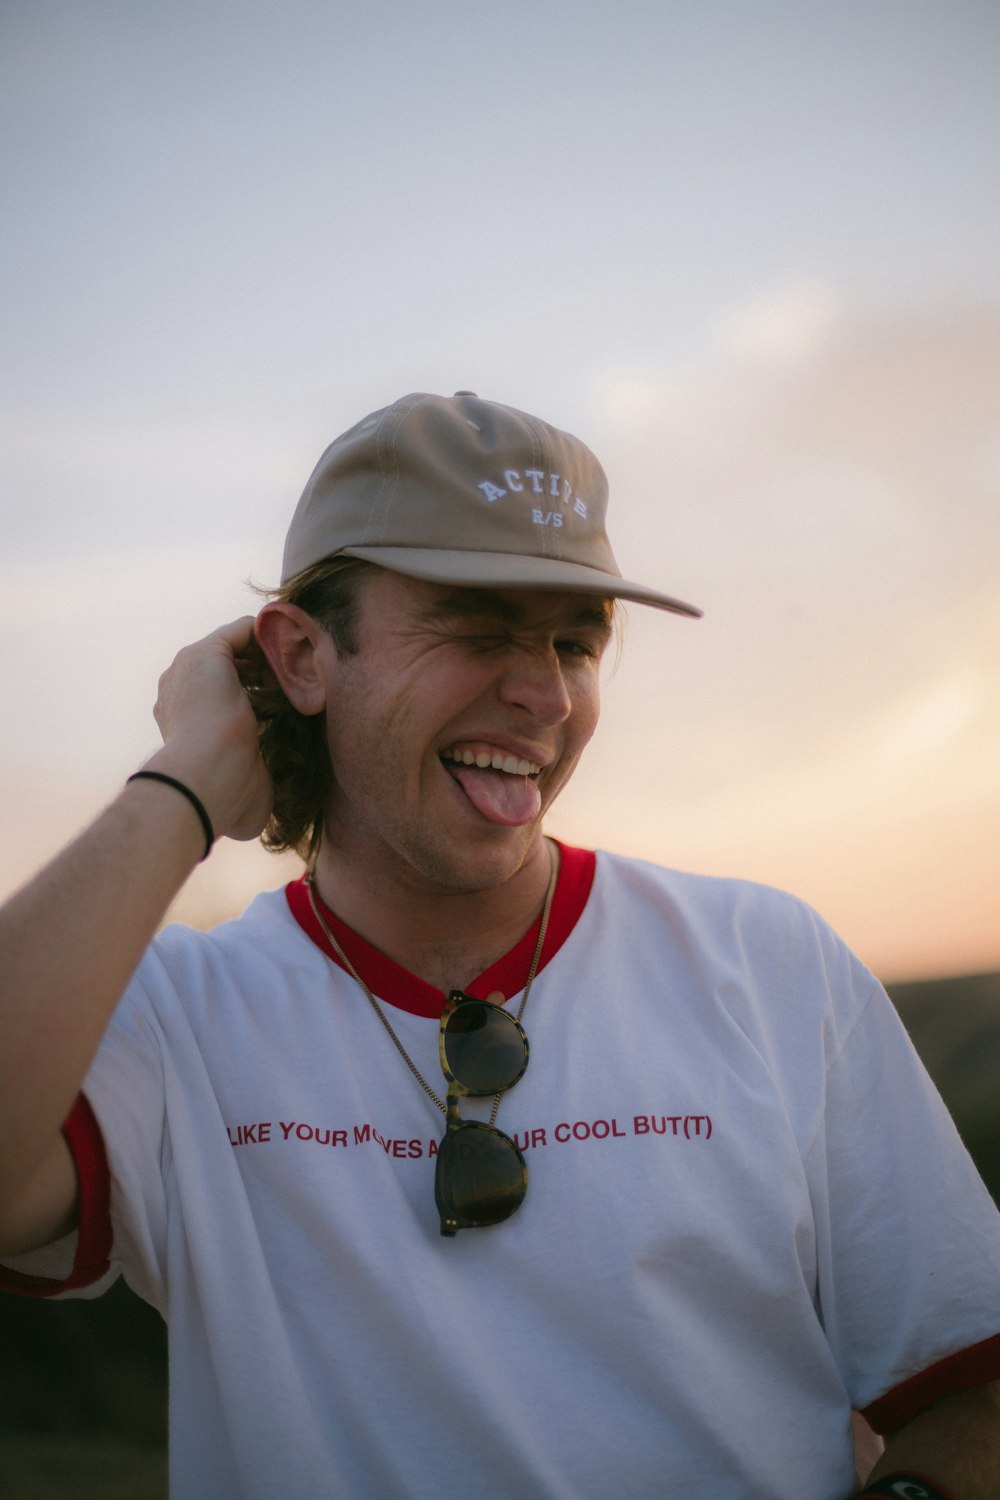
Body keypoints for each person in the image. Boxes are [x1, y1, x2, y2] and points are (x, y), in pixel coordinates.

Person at [1, 391, 998, 1500]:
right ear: (300, 656)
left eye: (574, 643)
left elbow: (967, 1382)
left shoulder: (768, 961)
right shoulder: (175, 1014)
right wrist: (184, 780)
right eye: (477, 631)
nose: (541, 696)